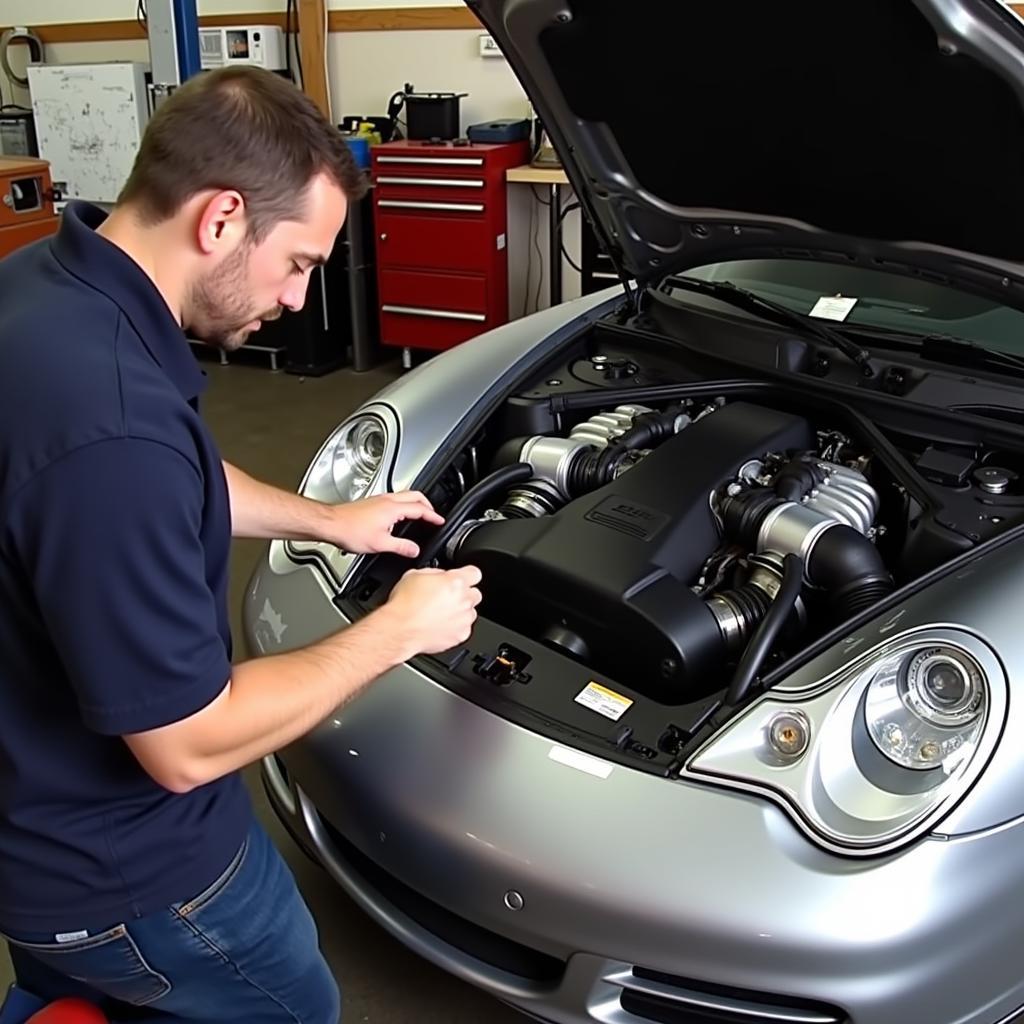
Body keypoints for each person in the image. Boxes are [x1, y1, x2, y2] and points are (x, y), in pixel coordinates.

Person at [0, 66, 482, 1022]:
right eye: (300, 263)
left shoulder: (43, 287)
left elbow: (161, 477)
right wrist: (398, 628)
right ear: (222, 218)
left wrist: (330, 520)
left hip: (35, 829)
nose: (302, 301)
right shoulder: (115, 428)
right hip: (138, 884)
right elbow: (188, 744)